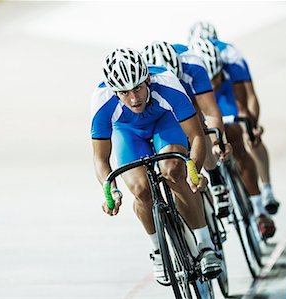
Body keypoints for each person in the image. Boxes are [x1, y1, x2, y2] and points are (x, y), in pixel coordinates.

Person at [91, 48, 222, 284]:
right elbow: (101, 160)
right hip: (128, 133)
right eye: (124, 92)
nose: (134, 99)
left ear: (148, 79)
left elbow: (198, 136)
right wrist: (109, 189)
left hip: (165, 122)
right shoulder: (101, 101)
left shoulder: (168, 84)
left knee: (173, 171)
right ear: (113, 91)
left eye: (138, 88)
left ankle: (205, 245)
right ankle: (158, 251)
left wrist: (194, 171)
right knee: (141, 191)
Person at [186, 38, 276, 239]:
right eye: (209, 79)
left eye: (216, 76)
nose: (213, 83)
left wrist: (251, 127)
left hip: (226, 96)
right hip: (199, 96)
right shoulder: (191, 72)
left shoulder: (232, 60)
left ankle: (259, 209)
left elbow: (246, 102)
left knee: (237, 138)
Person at [142, 40, 233, 217]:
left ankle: (215, 177)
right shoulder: (143, 77)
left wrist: (217, 141)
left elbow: (211, 111)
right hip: (162, 107)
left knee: (197, 123)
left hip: (191, 99)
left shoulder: (193, 65)